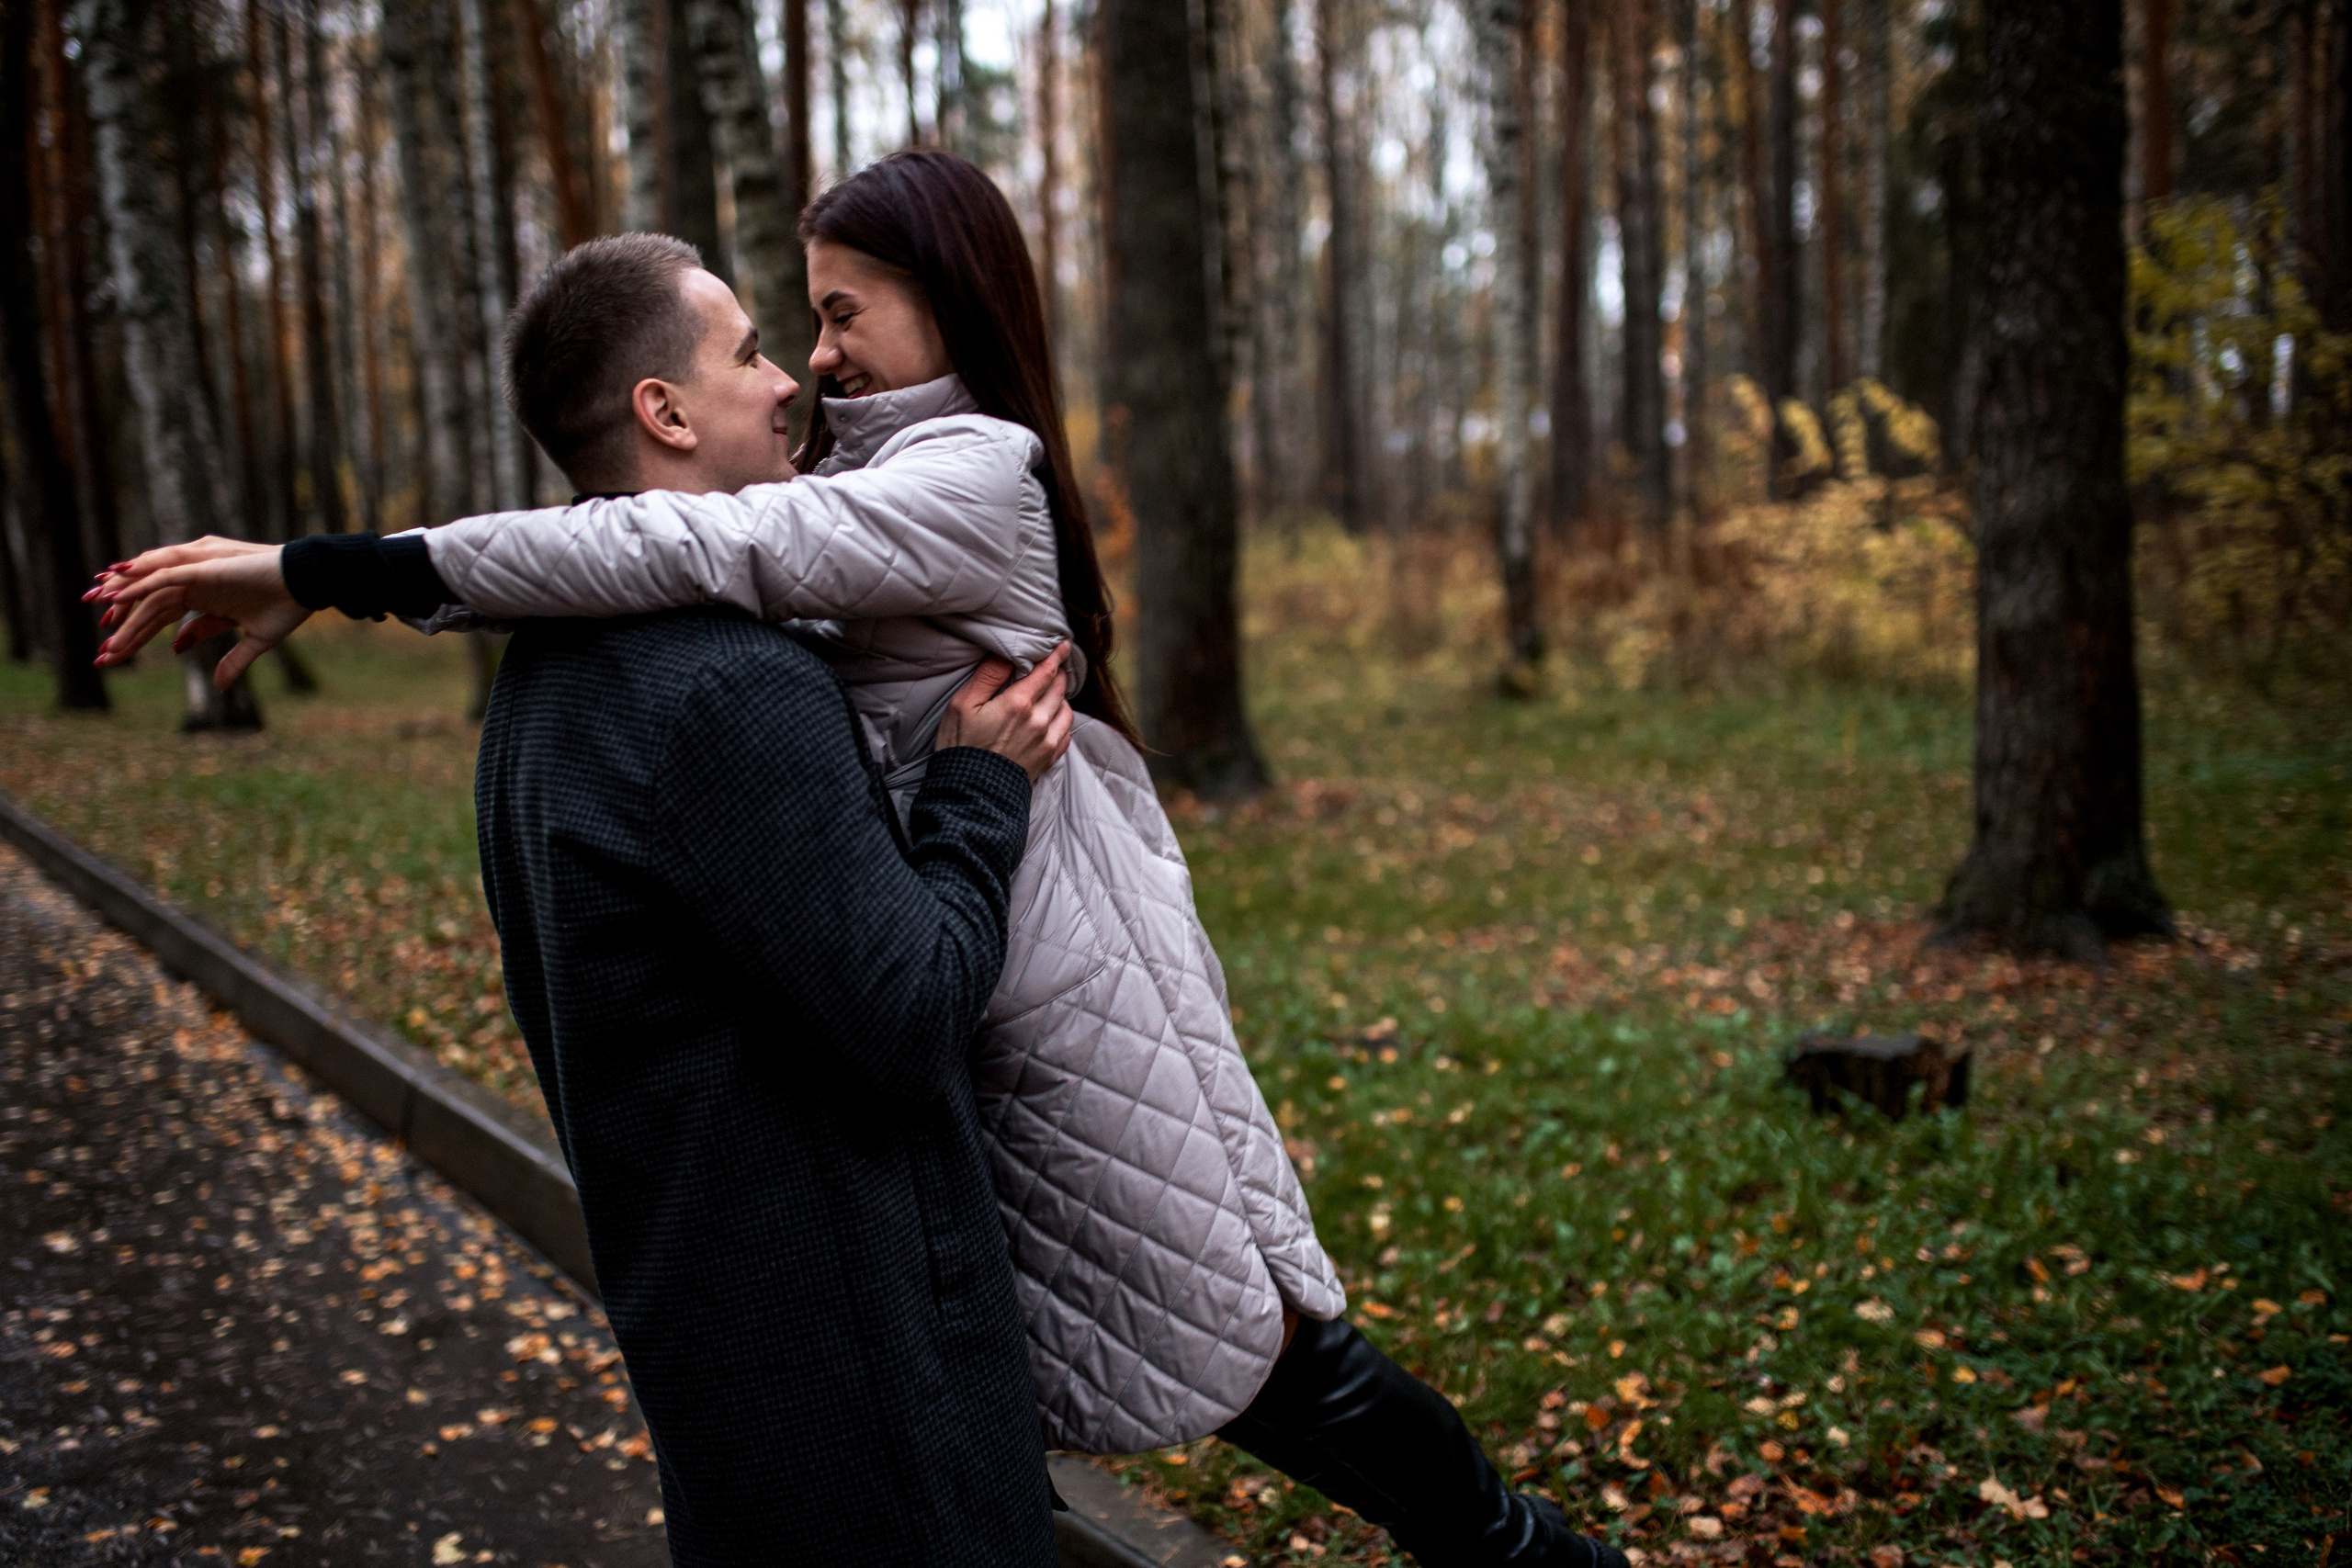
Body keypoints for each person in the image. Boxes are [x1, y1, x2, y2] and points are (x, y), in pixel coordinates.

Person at [96, 152, 1627, 1568]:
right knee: (1134, 1362)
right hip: (947, 1019)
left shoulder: (965, 474)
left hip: (1054, 980)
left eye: (832, 316)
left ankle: (1530, 1557)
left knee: (1265, 1347)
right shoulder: (797, 547)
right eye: (781, 333)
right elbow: (691, 578)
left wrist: (329, 568)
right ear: (668, 408)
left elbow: (695, 552)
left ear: (939, 302)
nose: (808, 361)